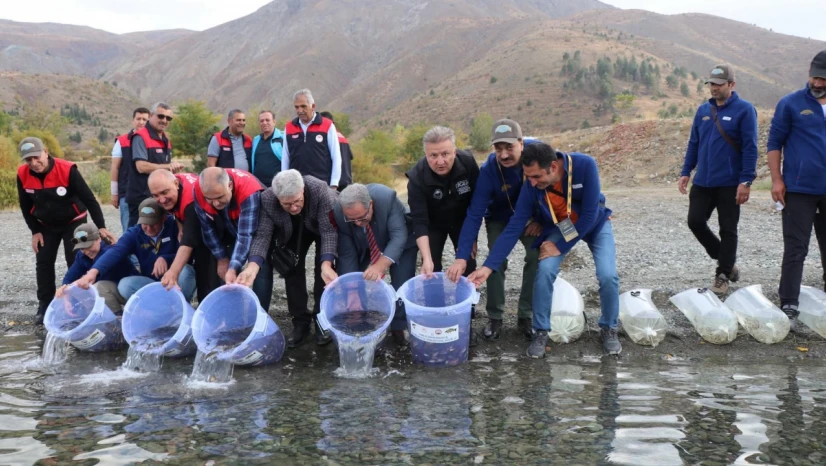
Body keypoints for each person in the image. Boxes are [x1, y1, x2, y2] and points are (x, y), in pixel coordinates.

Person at [468, 142, 622, 358]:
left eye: (536, 177)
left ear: (553, 167)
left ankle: (609, 328)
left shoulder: (585, 165)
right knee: (545, 270)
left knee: (608, 275)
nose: (531, 182)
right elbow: (514, 226)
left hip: (596, 223)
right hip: (563, 226)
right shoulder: (531, 185)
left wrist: (559, 246)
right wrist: (488, 267)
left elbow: (589, 215)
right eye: (528, 177)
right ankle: (541, 331)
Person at [447, 119, 541, 341]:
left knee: (536, 255)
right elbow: (474, 214)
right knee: (495, 261)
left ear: (521, 143)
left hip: (530, 219)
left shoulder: (538, 154)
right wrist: (461, 256)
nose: (504, 155)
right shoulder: (489, 170)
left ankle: (526, 315)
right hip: (499, 217)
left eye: (509, 147)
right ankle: (495, 316)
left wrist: (541, 221)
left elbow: (553, 189)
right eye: (498, 149)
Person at [17, 137, 116, 325]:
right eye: (29, 160)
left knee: (75, 259)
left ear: (45, 152)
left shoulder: (67, 169)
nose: (34, 163)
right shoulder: (22, 174)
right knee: (44, 262)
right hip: (46, 224)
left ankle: (79, 304)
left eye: (37, 157)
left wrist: (101, 226)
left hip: (74, 222)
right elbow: (25, 205)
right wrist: (35, 231)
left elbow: (89, 199)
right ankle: (45, 305)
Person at [678, 64, 758, 294]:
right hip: (703, 181)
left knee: (728, 229)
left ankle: (722, 275)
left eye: (719, 84)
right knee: (695, 221)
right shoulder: (703, 110)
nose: (714, 88)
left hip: (730, 183)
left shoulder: (745, 110)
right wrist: (686, 171)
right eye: (712, 84)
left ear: (731, 85)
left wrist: (746, 181)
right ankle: (727, 261)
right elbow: (694, 143)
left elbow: (750, 148)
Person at [237, 170, 338, 348]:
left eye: (297, 201)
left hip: (320, 227)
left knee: (323, 272)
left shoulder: (320, 190)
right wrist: (252, 266)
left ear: (302, 190)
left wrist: (327, 263)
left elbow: (329, 231)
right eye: (287, 204)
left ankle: (321, 319)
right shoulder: (268, 198)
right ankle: (300, 322)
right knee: (292, 271)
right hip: (291, 230)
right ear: (278, 198)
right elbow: (263, 235)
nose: (293, 208)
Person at [406, 125, 480, 345]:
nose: (440, 161)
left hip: (463, 221)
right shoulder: (416, 176)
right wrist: (426, 257)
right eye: (433, 155)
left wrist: (471, 239)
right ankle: (435, 315)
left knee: (468, 263)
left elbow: (477, 206)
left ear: (454, 151)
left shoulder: (468, 164)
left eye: (446, 154)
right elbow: (419, 220)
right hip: (433, 224)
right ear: (426, 154)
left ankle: (468, 319)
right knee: (431, 269)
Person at [768, 50, 826, 323]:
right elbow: (774, 143)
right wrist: (777, 179)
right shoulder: (790, 103)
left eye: (823, 79)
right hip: (799, 189)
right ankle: (789, 302)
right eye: (815, 77)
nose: (818, 83)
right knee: (795, 247)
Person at [333, 183, 417, 345]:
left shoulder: (386, 198)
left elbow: (398, 236)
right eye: (352, 219)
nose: (357, 223)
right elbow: (347, 253)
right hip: (364, 242)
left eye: (362, 217)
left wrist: (379, 266)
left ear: (370, 204)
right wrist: (351, 290)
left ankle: (399, 325)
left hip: (399, 242)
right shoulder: (339, 210)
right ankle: (360, 319)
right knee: (355, 279)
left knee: (401, 280)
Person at [74, 198, 196, 302]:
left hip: (176, 280)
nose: (148, 228)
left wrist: (166, 258)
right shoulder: (135, 233)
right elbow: (115, 252)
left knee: (186, 270)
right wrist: (93, 272)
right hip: (152, 283)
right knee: (125, 285)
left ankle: (182, 306)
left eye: (153, 223)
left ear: (163, 218)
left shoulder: (175, 227)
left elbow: (189, 256)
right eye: (145, 223)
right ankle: (159, 308)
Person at [148, 169, 219, 302]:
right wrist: (180, 224)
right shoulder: (174, 181)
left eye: (164, 192)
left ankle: (210, 304)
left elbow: (188, 241)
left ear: (176, 183)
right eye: (155, 195)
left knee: (209, 271)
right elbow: (175, 209)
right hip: (202, 224)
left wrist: (173, 273)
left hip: (220, 229)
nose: (162, 199)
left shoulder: (191, 201)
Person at [193, 167, 265, 296]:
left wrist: (233, 267)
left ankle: (258, 304)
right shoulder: (199, 189)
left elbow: (245, 235)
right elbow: (207, 228)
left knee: (258, 269)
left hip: (256, 230)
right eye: (209, 199)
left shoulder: (248, 191)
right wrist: (222, 258)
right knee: (222, 269)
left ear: (230, 185)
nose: (215, 203)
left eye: (220, 197)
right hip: (226, 226)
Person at [57, 224, 138, 313]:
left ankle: (115, 316)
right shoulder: (81, 255)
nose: (86, 251)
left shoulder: (110, 250)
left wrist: (71, 287)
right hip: (111, 291)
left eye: (89, 246)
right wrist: (66, 295)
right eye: (82, 248)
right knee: (79, 289)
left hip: (130, 292)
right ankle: (95, 314)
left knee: (98, 287)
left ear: (98, 239)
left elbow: (93, 279)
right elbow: (69, 278)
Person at [126, 102, 184, 226]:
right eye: (161, 116)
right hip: (141, 198)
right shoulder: (140, 136)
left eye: (168, 118)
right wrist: (168, 167)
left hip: (161, 198)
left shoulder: (165, 139)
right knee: (138, 233)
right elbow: (141, 167)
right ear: (151, 115)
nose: (164, 120)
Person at [282, 89, 343, 188]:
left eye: (303, 106)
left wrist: (334, 184)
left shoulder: (327, 125)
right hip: (297, 186)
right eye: (297, 107)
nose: (300, 110)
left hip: (322, 184)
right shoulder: (289, 127)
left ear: (313, 106)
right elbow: (285, 158)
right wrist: (285, 182)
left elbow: (336, 156)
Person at [110, 107, 150, 232]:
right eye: (138, 119)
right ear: (133, 120)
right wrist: (114, 193)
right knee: (129, 230)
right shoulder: (122, 141)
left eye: (145, 119)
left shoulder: (153, 141)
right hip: (126, 193)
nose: (141, 122)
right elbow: (115, 167)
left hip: (149, 192)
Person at [250, 110, 285, 187]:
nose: (264, 123)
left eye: (267, 120)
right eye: (261, 121)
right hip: (258, 186)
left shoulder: (283, 138)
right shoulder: (256, 140)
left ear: (274, 122)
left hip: (278, 186)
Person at [319, 111, 353, 190]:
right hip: (347, 182)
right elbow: (349, 158)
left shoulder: (325, 137)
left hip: (333, 183)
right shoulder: (343, 138)